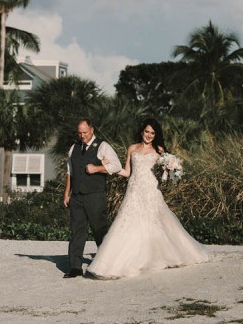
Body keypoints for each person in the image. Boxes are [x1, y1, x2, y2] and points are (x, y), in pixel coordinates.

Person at [85, 117, 211, 279]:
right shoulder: (132, 148)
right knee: (127, 224)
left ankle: (159, 255)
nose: (149, 135)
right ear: (142, 131)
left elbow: (169, 171)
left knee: (156, 224)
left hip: (151, 192)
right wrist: (109, 166)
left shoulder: (159, 150)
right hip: (134, 192)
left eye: (152, 133)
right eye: (147, 132)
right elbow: (127, 172)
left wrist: (173, 168)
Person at [63, 118, 122, 278]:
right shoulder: (74, 148)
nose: (82, 136)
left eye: (85, 132)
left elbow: (117, 166)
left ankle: (107, 265)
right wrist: (66, 193)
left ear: (92, 130)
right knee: (77, 232)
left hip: (95, 195)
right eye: (80, 133)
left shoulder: (103, 146)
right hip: (76, 196)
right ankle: (75, 267)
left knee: (99, 230)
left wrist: (97, 168)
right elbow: (70, 172)